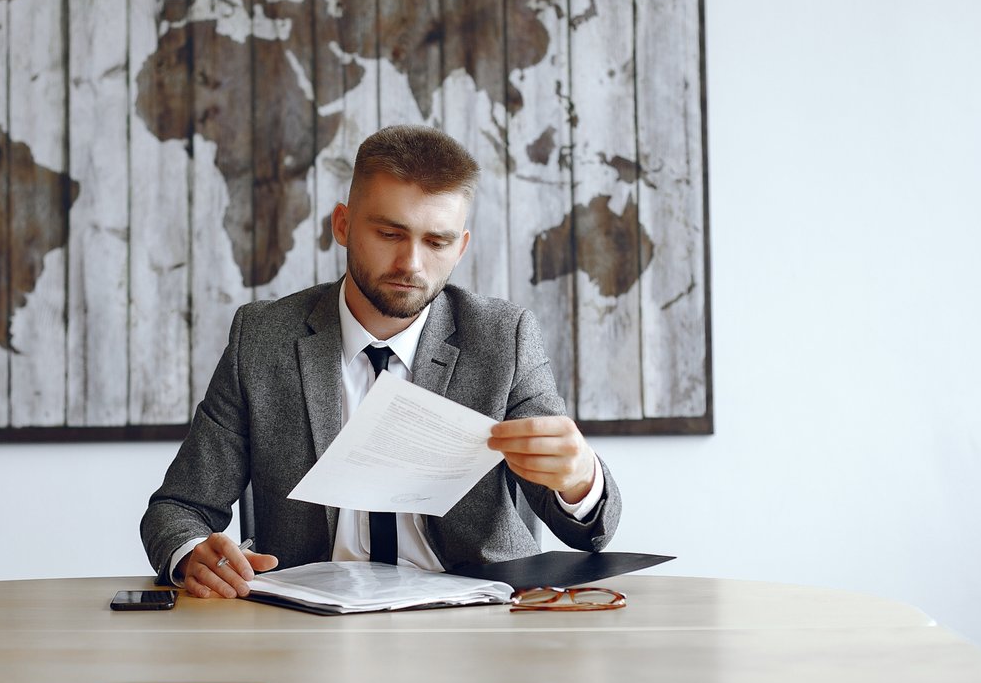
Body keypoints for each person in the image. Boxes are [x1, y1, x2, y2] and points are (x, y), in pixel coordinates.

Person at [140, 125, 621, 598]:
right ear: (343, 225)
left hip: (477, 626)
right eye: (391, 233)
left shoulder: (503, 339)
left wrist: (579, 480)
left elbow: (589, 533)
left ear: (461, 246)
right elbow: (177, 508)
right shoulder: (264, 339)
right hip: (309, 630)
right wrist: (192, 553)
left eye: (437, 242)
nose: (411, 264)